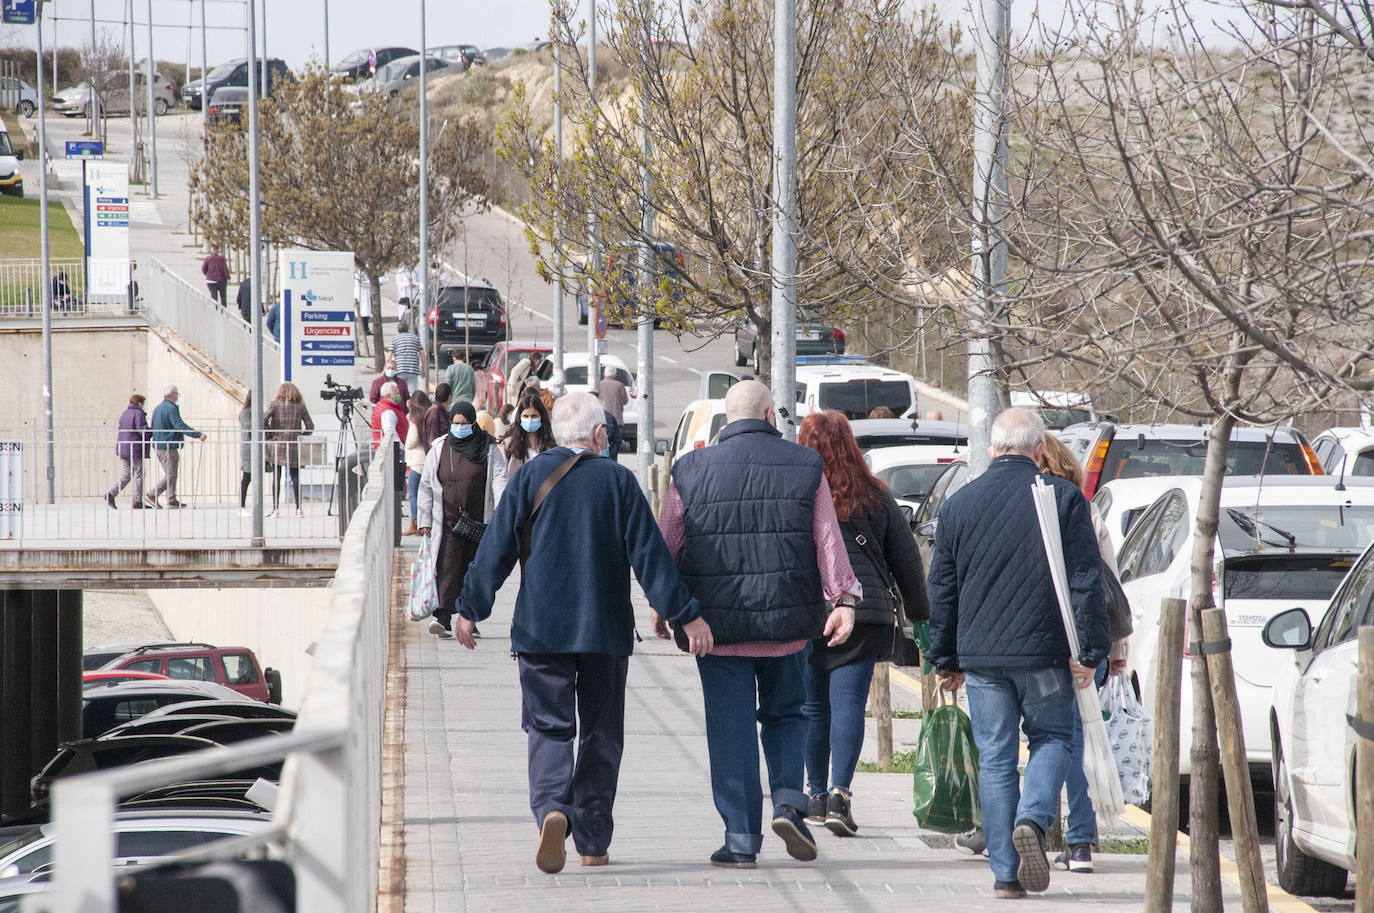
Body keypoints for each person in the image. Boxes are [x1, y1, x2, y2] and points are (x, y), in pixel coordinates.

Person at [453, 393, 710, 874]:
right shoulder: (618, 481)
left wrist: (470, 608)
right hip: (604, 631)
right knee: (601, 733)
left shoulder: (529, 476)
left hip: (541, 630)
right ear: (597, 434)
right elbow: (650, 557)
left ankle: (553, 807)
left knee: (547, 726)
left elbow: (496, 548)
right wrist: (684, 614)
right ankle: (592, 840)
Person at [654, 380, 860, 869]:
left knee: (731, 730)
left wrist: (668, 607)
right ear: (770, 415)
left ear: (727, 419)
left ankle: (741, 838)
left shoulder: (690, 469)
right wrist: (843, 600)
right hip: (787, 627)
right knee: (788, 715)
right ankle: (788, 802)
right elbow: (827, 540)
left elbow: (667, 544)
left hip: (716, 630)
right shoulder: (806, 466)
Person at [926, 407, 1109, 900]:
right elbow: (1086, 582)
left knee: (995, 758)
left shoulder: (959, 505)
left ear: (991, 449)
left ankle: (1005, 874)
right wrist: (1091, 650)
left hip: (981, 657)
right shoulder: (1063, 499)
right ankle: (1032, 818)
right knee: (1053, 739)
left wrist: (944, 658)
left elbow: (942, 588)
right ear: (1040, 449)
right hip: (1046, 651)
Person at [797, 411, 928, 836]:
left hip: (808, 611)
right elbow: (907, 562)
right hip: (864, 612)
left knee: (813, 707)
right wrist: (920, 616)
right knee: (849, 704)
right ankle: (841, 795)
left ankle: (815, 796)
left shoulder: (797, 491)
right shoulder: (874, 495)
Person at [1038, 433, 1129, 874]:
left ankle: (1021, 825)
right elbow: (1108, 584)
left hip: (1032, 643)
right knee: (1077, 739)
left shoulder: (1025, 508)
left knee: (1035, 738)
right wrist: (1116, 648)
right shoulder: (1085, 510)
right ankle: (1079, 843)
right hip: (1082, 642)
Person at [416, 401, 506, 639]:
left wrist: (501, 511)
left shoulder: (488, 448)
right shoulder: (439, 448)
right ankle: (443, 617)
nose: (459, 427)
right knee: (447, 566)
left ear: (473, 423)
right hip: (446, 520)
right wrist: (424, 519)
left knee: (472, 569)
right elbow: (425, 485)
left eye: (464, 423)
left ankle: (469, 618)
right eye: (455, 423)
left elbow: (499, 478)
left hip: (478, 521)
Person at [147, 385, 206, 508]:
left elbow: (153, 426)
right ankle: (152, 494)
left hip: (159, 445)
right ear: (173, 395)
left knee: (171, 473)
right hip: (168, 445)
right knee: (171, 474)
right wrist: (197, 434)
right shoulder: (171, 408)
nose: (177, 397)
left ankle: (171, 499)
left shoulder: (158, 408)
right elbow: (179, 425)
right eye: (177, 395)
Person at [263, 382, 315, 518]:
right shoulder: (300, 406)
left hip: (277, 444)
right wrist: (301, 437)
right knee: (295, 477)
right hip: (293, 445)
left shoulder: (275, 404)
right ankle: (299, 509)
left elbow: (263, 420)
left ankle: (275, 509)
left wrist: (270, 435)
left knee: (276, 476)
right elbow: (310, 426)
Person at [494, 394, 555, 504]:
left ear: (541, 417)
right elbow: (501, 477)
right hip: (516, 503)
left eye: (534, 416)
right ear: (519, 418)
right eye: (526, 416)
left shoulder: (551, 446)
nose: (529, 420)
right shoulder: (509, 445)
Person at [107, 394, 150, 509]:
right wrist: (152, 431)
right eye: (143, 403)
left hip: (123, 447)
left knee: (127, 474)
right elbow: (141, 430)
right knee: (139, 474)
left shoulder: (125, 413)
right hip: (134, 448)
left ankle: (111, 493)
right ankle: (137, 501)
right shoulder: (139, 413)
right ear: (139, 403)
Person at [404, 390, 434, 535]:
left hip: (417, 462)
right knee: (427, 493)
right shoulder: (430, 414)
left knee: (414, 493)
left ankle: (415, 523)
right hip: (428, 459)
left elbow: (411, 440)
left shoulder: (415, 418)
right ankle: (426, 524)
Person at [370, 381, 408, 449]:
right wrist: (401, 447)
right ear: (388, 395)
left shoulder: (385, 405)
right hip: (392, 449)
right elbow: (390, 432)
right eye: (396, 393)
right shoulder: (387, 411)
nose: (399, 395)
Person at [390, 318, 425, 393]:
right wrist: (423, 368)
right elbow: (422, 354)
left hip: (400, 368)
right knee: (411, 393)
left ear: (398, 329)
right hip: (413, 369)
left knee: (399, 392)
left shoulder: (395, 338)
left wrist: (388, 367)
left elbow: (390, 354)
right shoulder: (415, 338)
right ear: (407, 329)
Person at [238, 392, 254, 517]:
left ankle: (257, 506)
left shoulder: (256, 412)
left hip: (257, 447)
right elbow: (249, 427)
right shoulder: (245, 412)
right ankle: (242, 507)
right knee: (247, 477)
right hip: (248, 448)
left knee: (256, 478)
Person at [355, 273, 373, 340]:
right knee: (362, 314)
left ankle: (366, 329)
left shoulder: (366, 272)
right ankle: (362, 330)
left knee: (367, 314)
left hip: (366, 294)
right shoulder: (358, 273)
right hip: (361, 295)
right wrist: (370, 282)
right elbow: (360, 282)